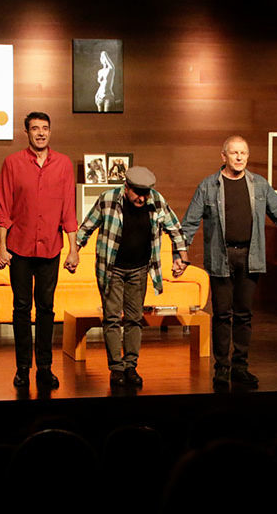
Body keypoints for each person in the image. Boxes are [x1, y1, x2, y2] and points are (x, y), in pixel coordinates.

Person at [182, 135, 277, 390]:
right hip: (221, 257)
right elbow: (189, 223)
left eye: (243, 153)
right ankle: (221, 369)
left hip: (250, 256)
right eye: (234, 153)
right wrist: (179, 255)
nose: (239, 157)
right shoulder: (208, 186)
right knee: (222, 315)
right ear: (223, 156)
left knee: (244, 315)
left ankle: (240, 367)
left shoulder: (259, 185)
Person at [74, 166, 189, 388]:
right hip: (112, 269)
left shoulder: (156, 200)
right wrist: (74, 252)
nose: (142, 198)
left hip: (140, 268)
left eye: (145, 193)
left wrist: (182, 257)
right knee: (112, 318)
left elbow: (175, 228)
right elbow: (86, 228)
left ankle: (131, 366)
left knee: (134, 319)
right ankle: (116, 368)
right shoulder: (108, 199)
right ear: (126, 187)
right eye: (137, 193)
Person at [0, 111, 79, 389]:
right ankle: (22, 369)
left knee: (46, 308)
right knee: (21, 308)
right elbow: (4, 208)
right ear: (27, 133)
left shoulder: (63, 164)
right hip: (18, 247)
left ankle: (44, 367)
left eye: (45, 128)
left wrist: (73, 249)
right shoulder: (12, 163)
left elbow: (69, 210)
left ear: (50, 132)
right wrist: (1, 247)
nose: (41, 133)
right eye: (35, 128)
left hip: (50, 248)